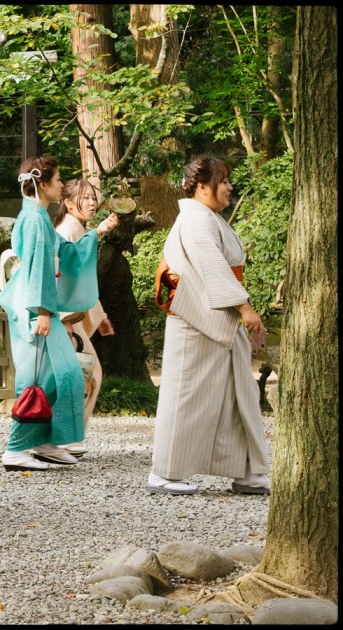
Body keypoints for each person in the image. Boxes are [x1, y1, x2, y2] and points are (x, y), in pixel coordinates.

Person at [147, 156, 270, 496]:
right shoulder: (195, 220)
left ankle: (248, 471)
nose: (229, 187)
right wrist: (244, 307)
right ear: (202, 186)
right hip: (195, 320)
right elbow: (213, 267)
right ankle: (165, 472)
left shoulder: (205, 217)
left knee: (237, 393)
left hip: (215, 316)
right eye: (224, 181)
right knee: (185, 395)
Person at [0, 157, 116, 472]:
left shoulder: (37, 216)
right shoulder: (35, 220)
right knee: (37, 378)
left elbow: (65, 252)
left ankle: (44, 441)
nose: (61, 185)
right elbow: (40, 269)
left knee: (61, 375)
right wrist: (44, 312)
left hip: (37, 305)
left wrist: (97, 233)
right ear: (42, 184)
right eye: (58, 179)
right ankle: (15, 449)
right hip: (35, 308)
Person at [53, 179, 119, 456]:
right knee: (85, 374)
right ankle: (65, 437)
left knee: (82, 374)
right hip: (64, 316)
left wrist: (99, 316)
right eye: (85, 198)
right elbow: (64, 276)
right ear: (68, 204)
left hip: (70, 314)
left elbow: (82, 279)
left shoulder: (75, 228)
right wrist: (67, 320)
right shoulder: (67, 230)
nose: (92, 203)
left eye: (94, 197)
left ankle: (67, 436)